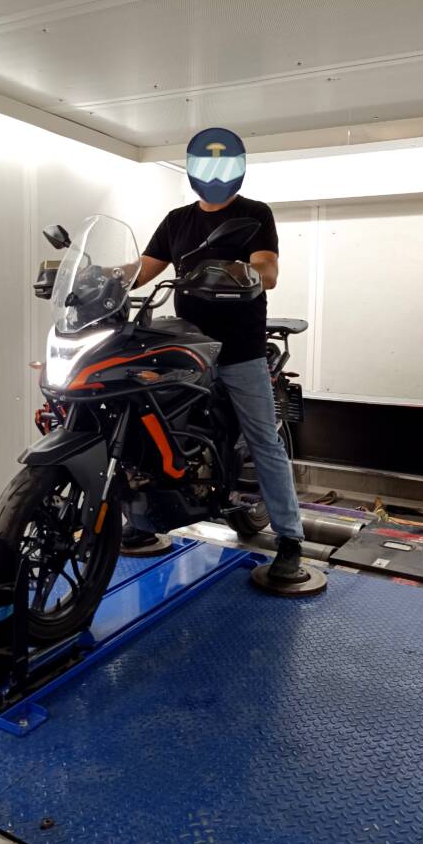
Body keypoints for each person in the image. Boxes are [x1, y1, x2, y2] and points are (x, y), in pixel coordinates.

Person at [124, 126, 304, 585]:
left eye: (224, 164)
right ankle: (147, 516)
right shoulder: (176, 220)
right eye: (207, 164)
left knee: (263, 439)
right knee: (156, 428)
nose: (215, 172)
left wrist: (243, 271)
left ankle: (289, 538)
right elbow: (143, 270)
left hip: (239, 348)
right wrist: (102, 278)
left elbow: (268, 268)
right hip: (188, 348)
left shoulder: (254, 214)